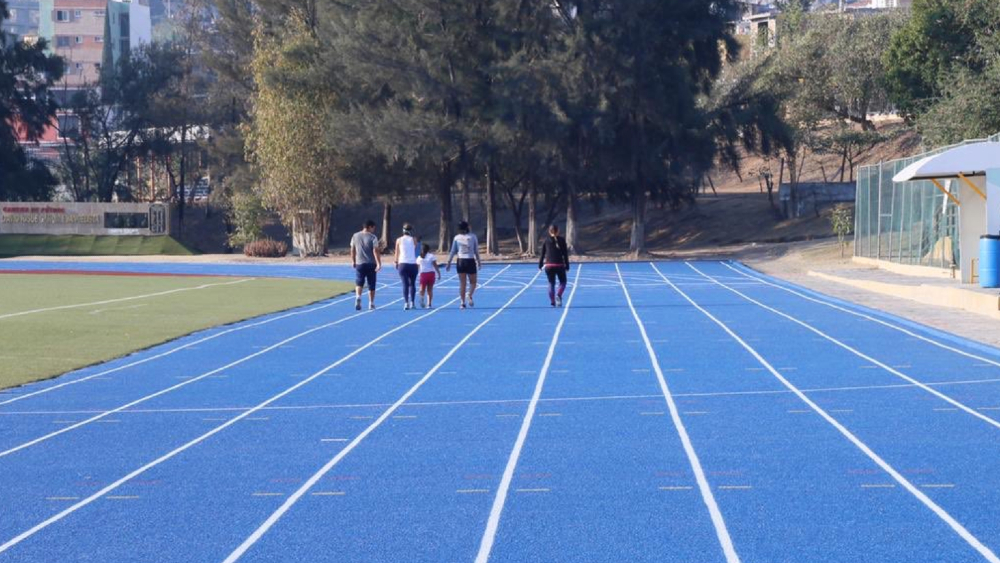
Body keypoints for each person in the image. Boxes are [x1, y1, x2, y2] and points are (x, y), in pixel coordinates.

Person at [445, 220, 481, 309]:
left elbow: (453, 251)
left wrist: (449, 262)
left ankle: (462, 303)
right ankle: (469, 294)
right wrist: (479, 262)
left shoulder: (456, 238)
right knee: (473, 282)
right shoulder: (473, 237)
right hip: (470, 260)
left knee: (462, 283)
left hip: (460, 261)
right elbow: (476, 251)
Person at [350, 219, 381, 311]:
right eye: (373, 228)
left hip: (360, 263)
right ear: (370, 227)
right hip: (371, 263)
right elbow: (375, 251)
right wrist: (379, 263)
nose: (374, 230)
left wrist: (353, 260)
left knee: (359, 282)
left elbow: (352, 249)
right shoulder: (373, 237)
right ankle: (371, 303)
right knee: (371, 284)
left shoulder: (355, 236)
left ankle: (358, 297)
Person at [538, 224, 570, 307]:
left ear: (549, 231)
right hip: (559, 265)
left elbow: (542, 254)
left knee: (551, 283)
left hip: (549, 265)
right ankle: (558, 295)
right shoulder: (562, 240)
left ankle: (552, 301)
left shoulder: (545, 240)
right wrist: (567, 265)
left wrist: (540, 264)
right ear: (558, 231)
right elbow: (565, 254)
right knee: (563, 282)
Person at [394, 223, 419, 310]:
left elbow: (396, 252)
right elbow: (416, 249)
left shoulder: (398, 240)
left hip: (402, 264)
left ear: (403, 230)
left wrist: (396, 262)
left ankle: (406, 303)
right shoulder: (414, 239)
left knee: (405, 284)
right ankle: (412, 302)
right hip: (412, 264)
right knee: (412, 284)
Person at [415, 243, 441, 308]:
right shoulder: (431, 256)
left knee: (422, 288)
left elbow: (417, 267)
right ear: (428, 249)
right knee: (430, 290)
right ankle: (429, 304)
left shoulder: (419, 257)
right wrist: (439, 273)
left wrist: (415, 275)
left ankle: (421, 298)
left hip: (423, 274)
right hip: (431, 274)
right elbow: (435, 265)